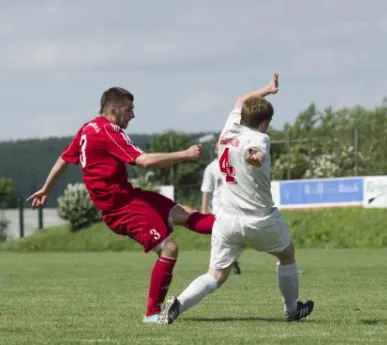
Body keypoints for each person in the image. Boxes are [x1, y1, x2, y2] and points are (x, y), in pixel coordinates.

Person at [27, 87, 216, 323]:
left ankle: (232, 227)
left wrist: (47, 188)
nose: (133, 116)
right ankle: (152, 314)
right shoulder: (109, 132)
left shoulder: (88, 128)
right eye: (129, 110)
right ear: (114, 111)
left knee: (185, 213)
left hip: (130, 197)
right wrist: (185, 154)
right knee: (169, 249)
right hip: (120, 209)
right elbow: (144, 162)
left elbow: (64, 159)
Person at [159, 73, 315, 324]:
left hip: (226, 220)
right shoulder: (259, 137)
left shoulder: (229, 129)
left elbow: (241, 99)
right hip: (259, 219)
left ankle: (177, 304)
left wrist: (265, 89)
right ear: (264, 123)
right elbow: (257, 152)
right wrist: (255, 158)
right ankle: (292, 310)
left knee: (215, 275)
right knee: (286, 255)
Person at [201, 141, 241, 274]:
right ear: (215, 149)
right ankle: (219, 262)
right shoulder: (211, 168)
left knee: (235, 231)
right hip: (218, 205)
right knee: (219, 233)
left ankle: (231, 257)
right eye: (219, 146)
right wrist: (204, 208)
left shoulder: (234, 164)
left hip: (234, 203)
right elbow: (207, 189)